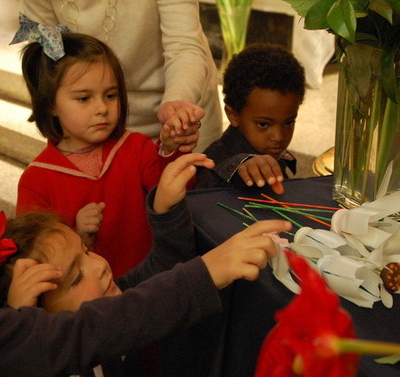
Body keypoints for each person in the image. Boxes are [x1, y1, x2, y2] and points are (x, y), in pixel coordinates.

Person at [0, 153, 291, 377]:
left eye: (87, 251)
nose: (99, 266)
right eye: (76, 277)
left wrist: (166, 209)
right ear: (43, 324)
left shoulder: (114, 293)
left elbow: (163, 268)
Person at [13, 25, 201, 277]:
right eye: (84, 98)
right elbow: (33, 259)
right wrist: (75, 234)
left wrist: (171, 148)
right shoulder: (36, 181)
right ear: (49, 105)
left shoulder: (136, 147)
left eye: (110, 95)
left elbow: (176, 198)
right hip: (90, 307)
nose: (102, 108)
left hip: (152, 283)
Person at [19, 0, 223, 152]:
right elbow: (47, 62)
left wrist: (177, 105)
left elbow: (183, 47)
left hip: (177, 118)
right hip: (96, 124)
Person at [195, 43, 306, 193]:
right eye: (263, 124)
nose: (278, 137)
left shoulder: (270, 150)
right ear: (233, 115)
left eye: (288, 122)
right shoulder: (213, 167)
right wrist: (243, 165)